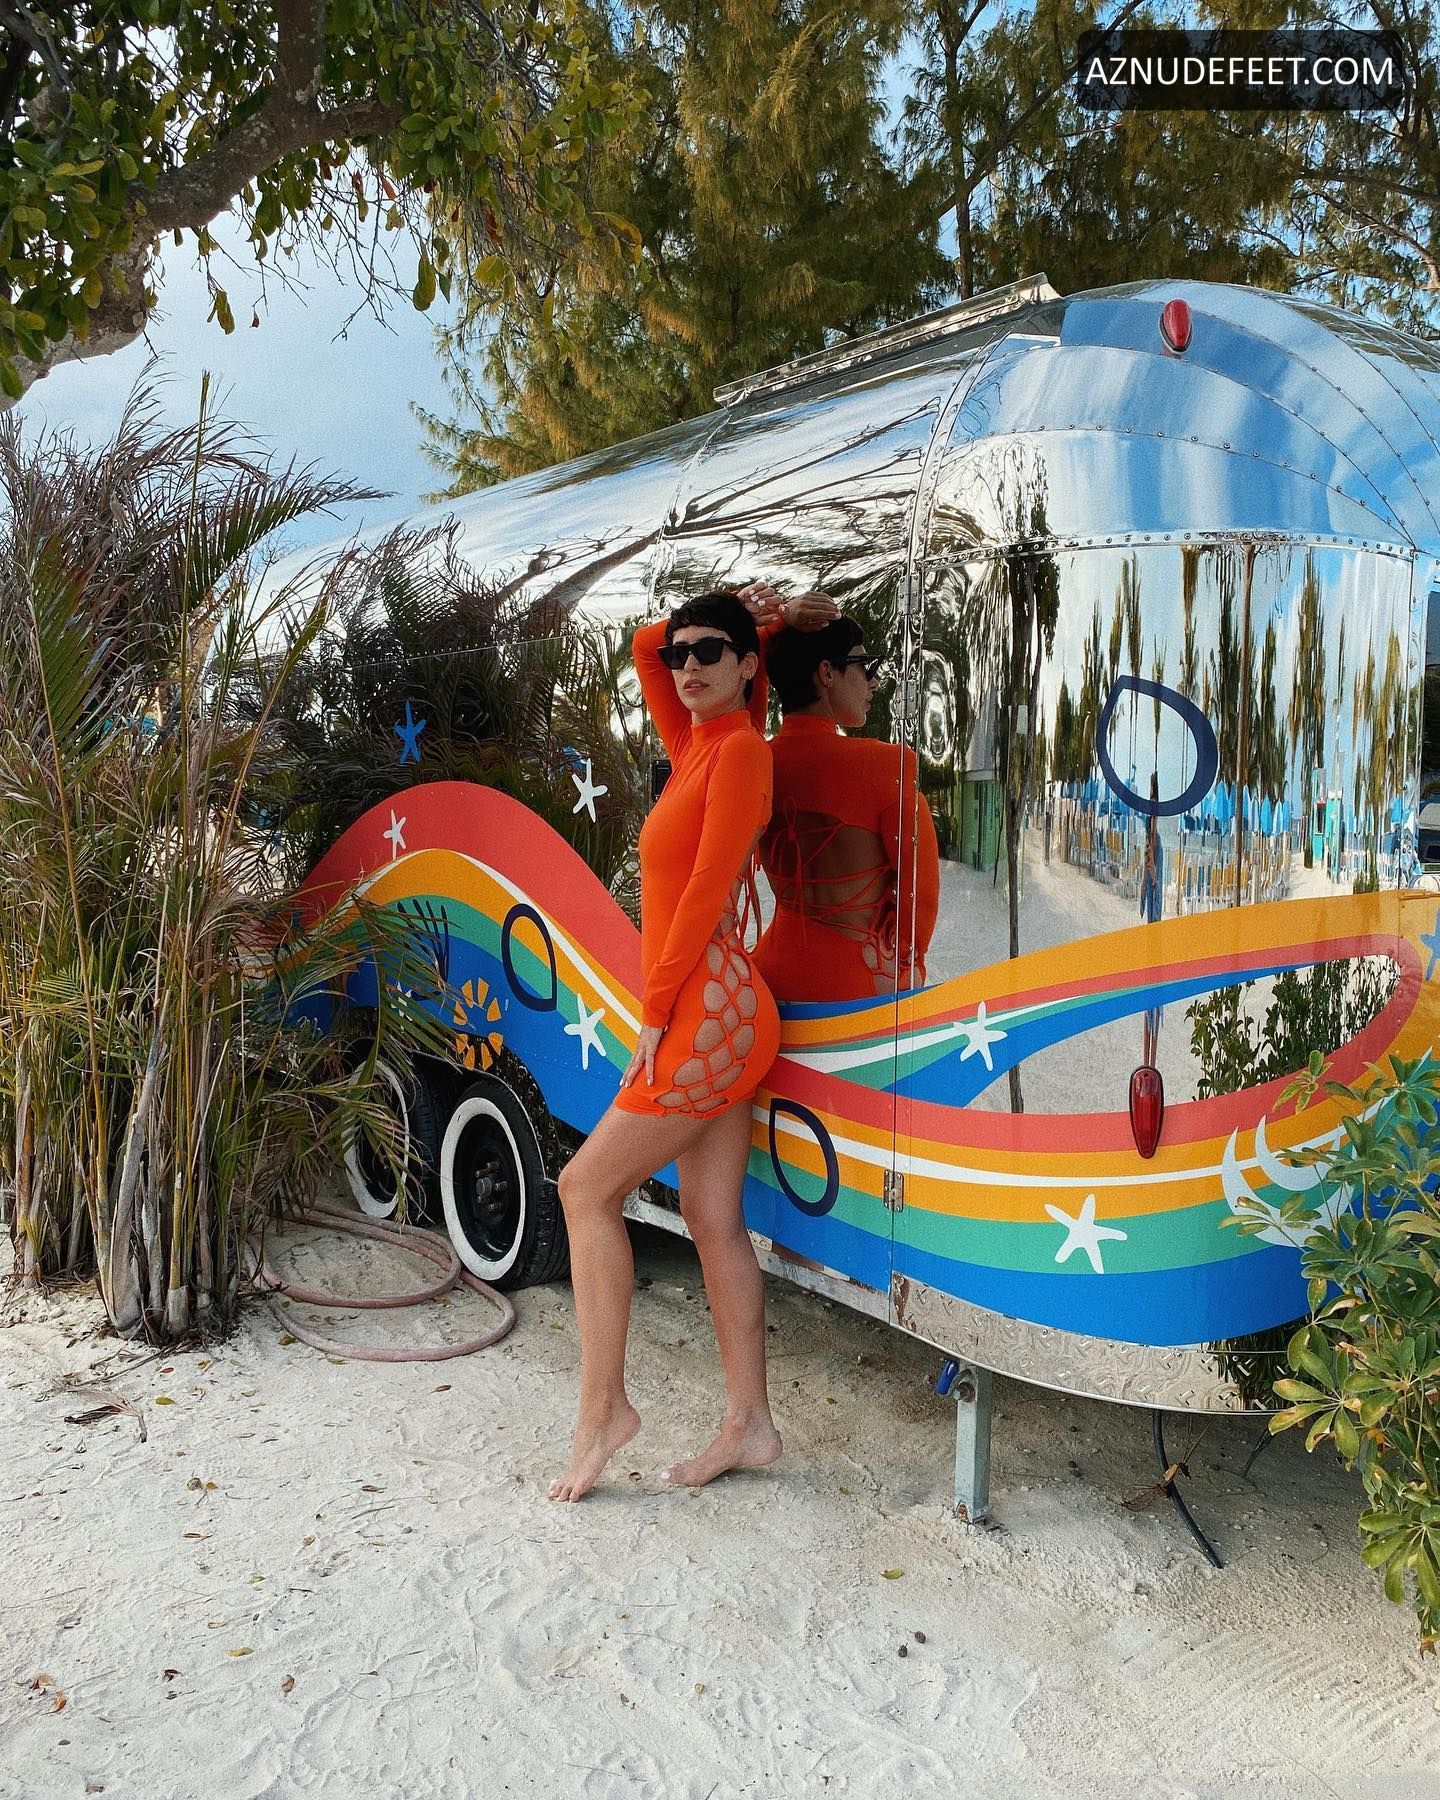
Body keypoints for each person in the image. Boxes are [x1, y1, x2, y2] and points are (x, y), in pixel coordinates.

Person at [549, 581, 815, 1503]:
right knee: (710, 1215)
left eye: (712, 652)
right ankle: (751, 1425)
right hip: (713, 1012)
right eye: (684, 653)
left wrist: (655, 1014)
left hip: (709, 1014)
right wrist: (744, 611)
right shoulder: (695, 743)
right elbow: (641, 643)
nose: (687, 665)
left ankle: (604, 1411)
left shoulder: (740, 751)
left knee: (584, 1188)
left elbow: (703, 896)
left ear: (749, 667)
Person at [756, 612, 940, 1003]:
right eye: (864, 665)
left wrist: (778, 625)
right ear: (827, 672)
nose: (873, 681)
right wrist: (905, 970)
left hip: (767, 978)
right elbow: (920, 900)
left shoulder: (755, 761)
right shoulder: (885, 766)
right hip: (859, 988)